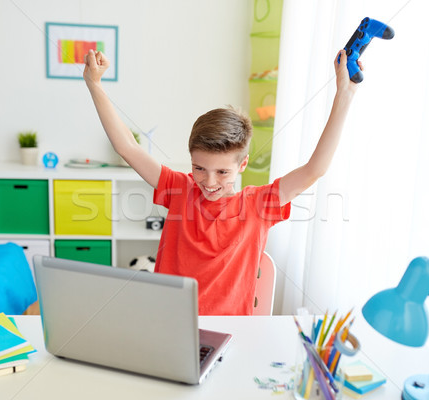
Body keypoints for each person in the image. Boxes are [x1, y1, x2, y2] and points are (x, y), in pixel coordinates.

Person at [83, 48, 359, 315]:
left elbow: (315, 169)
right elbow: (128, 148)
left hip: (231, 332)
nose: (208, 181)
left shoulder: (259, 204)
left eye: (222, 172)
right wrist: (94, 84)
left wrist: (344, 95)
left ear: (243, 165)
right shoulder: (179, 189)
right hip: (169, 321)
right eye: (199, 168)